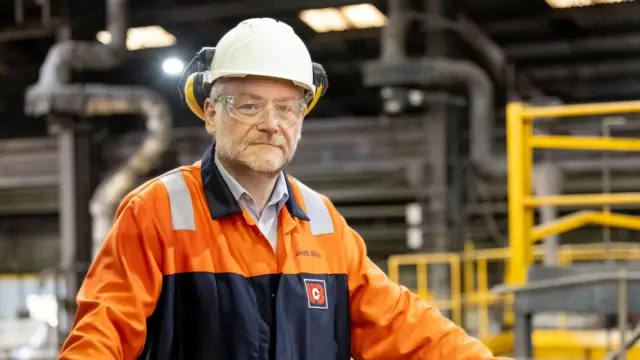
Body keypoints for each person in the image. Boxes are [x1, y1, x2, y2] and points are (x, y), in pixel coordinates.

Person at [59, 18, 500, 360]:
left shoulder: (324, 223)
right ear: (211, 113)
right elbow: (102, 335)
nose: (272, 124)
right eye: (250, 105)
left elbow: (405, 328)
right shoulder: (158, 211)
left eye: (288, 108)